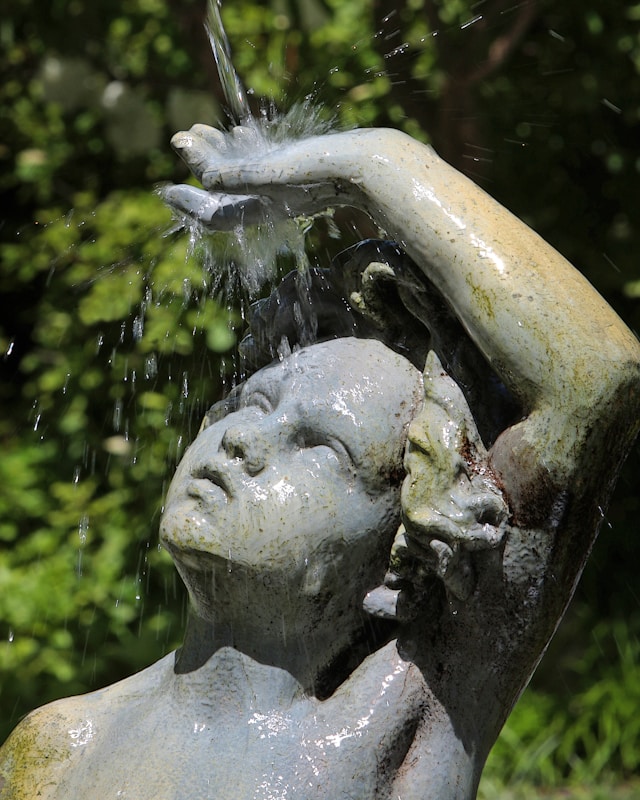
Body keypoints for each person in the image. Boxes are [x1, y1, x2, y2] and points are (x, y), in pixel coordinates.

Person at [1, 126, 638, 800]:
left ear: (402, 553)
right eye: (251, 403)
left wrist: (364, 167)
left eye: (321, 446)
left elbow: (596, 378)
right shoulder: (61, 746)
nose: (245, 440)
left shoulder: (410, 704)